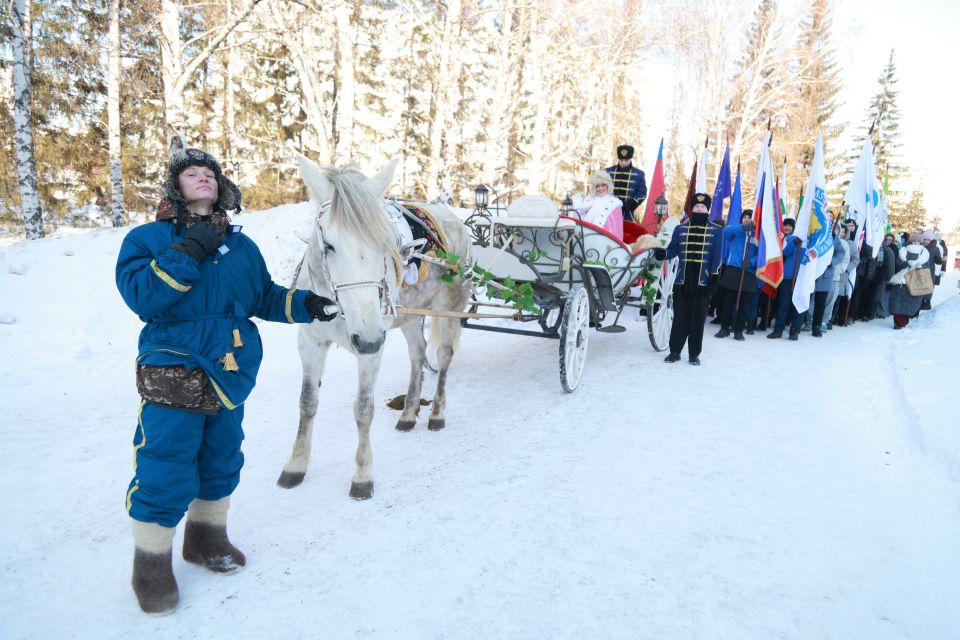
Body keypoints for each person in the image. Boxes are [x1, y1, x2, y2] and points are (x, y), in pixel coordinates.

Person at [115, 144, 337, 615]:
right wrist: (189, 250)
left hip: (231, 366)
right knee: (165, 461)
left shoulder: (240, 245)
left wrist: (307, 305)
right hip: (173, 362)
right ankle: (150, 565)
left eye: (210, 174)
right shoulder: (146, 239)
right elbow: (144, 298)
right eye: (192, 173)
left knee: (221, 456)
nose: (203, 179)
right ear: (175, 187)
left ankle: (205, 539)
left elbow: (263, 297)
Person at [663, 193, 723, 365]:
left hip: (703, 283)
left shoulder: (717, 231)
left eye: (702, 208)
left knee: (698, 320)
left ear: (707, 210)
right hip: (682, 282)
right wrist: (662, 252)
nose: (699, 209)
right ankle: (674, 352)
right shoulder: (680, 229)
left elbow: (717, 256)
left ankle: (694, 354)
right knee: (680, 318)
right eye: (696, 207)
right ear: (692, 209)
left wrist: (713, 278)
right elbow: (673, 250)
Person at [715, 210, 758, 340]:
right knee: (728, 301)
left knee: (745, 304)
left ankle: (738, 330)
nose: (746, 219)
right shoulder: (737, 231)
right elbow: (725, 233)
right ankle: (724, 328)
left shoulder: (758, 235)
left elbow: (763, 253)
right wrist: (742, 227)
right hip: (733, 269)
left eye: (749, 217)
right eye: (744, 217)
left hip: (749, 271)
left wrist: (752, 262)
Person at [767, 217, 804, 340]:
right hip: (787, 277)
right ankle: (778, 330)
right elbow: (785, 253)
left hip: (800, 278)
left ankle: (795, 330)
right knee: (783, 304)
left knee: (797, 305)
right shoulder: (788, 239)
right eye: (786, 225)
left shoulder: (806, 239)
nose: (787, 227)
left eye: (790, 226)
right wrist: (794, 243)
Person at [888, 232, 931, 329]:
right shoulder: (903, 251)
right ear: (910, 241)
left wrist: (920, 265)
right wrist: (907, 263)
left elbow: (927, 267)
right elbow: (898, 264)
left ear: (920, 242)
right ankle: (897, 322)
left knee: (909, 303)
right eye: (914, 240)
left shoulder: (924, 253)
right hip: (901, 280)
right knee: (898, 302)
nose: (916, 243)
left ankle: (903, 321)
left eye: (918, 241)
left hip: (914, 281)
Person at [573, 170, 624, 239]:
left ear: (608, 186)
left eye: (603, 185)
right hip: (584, 236)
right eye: (598, 186)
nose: (600, 188)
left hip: (601, 239)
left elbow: (616, 230)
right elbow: (580, 217)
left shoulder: (614, 204)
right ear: (594, 187)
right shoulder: (589, 200)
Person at [605, 145, 647, 223]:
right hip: (608, 212)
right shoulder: (608, 172)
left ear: (630, 159)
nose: (623, 163)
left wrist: (631, 204)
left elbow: (642, 193)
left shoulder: (639, 174)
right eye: (621, 160)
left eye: (626, 160)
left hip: (627, 214)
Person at [822, 221, 851, 330]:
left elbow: (846, 259)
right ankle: (810, 318)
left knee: (830, 300)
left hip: (834, 276)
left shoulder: (843, 243)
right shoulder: (822, 240)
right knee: (815, 299)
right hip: (820, 275)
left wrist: (838, 270)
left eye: (836, 229)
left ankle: (824, 320)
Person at [875, 233, 897, 319]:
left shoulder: (894, 250)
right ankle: (881, 312)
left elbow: (893, 265)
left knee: (885, 296)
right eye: (887, 239)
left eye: (890, 240)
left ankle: (883, 312)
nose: (888, 241)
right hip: (884, 274)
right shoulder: (882, 248)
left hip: (890, 275)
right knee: (881, 294)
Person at [920, 229, 941, 310]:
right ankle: (919, 301)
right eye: (924, 239)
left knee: (929, 285)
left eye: (928, 239)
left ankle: (926, 302)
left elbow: (938, 261)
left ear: (931, 240)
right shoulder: (920, 247)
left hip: (930, 270)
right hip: (920, 269)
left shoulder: (935, 249)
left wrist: (939, 259)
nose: (926, 241)